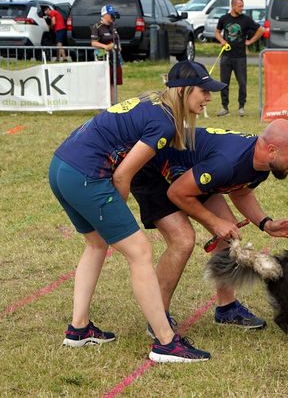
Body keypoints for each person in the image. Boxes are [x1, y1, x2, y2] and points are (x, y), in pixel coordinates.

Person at [48, 60, 226, 363]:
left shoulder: (153, 100)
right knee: (140, 252)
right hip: (85, 175)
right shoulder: (165, 123)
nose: (209, 97)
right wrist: (114, 210)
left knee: (96, 243)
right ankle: (166, 343)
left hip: (61, 167)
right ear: (183, 91)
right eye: (204, 91)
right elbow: (122, 176)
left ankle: (78, 329)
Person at [130, 119, 288, 356]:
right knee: (183, 240)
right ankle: (157, 317)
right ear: (272, 150)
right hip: (154, 170)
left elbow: (240, 190)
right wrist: (213, 222)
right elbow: (178, 192)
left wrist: (266, 223)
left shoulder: (262, 164)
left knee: (228, 233)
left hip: (193, 171)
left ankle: (226, 308)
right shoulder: (228, 162)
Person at [214, 0, 265, 117]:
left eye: (242, 6)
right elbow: (216, 32)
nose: (242, 8)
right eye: (239, 6)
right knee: (224, 82)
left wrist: (250, 41)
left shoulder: (246, 20)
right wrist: (222, 40)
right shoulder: (224, 18)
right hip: (226, 56)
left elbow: (261, 30)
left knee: (242, 82)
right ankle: (224, 107)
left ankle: (241, 107)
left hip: (240, 57)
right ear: (233, 6)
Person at [91, 5, 122, 104]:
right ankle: (104, 102)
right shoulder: (97, 27)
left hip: (115, 57)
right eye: (110, 15)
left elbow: (117, 38)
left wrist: (119, 47)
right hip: (103, 59)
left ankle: (113, 102)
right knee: (104, 82)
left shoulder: (113, 26)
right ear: (104, 15)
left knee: (114, 81)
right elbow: (93, 43)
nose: (113, 17)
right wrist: (105, 46)